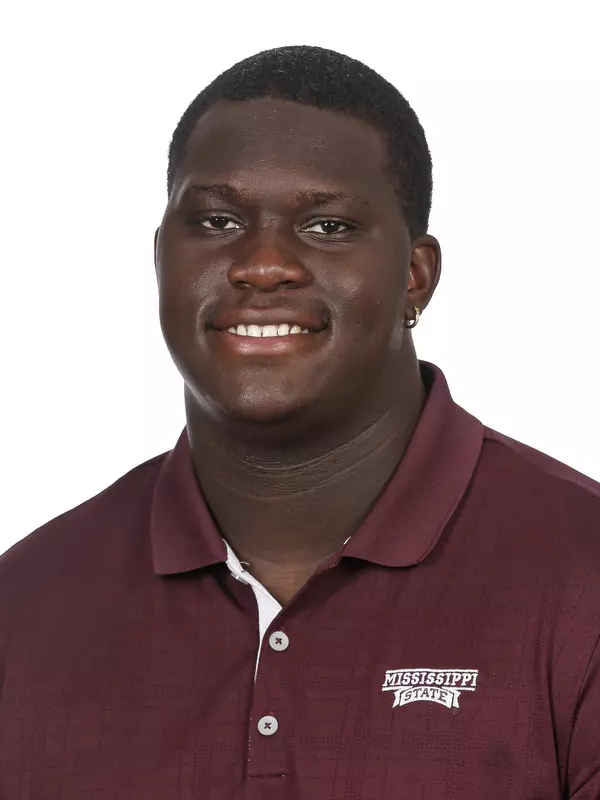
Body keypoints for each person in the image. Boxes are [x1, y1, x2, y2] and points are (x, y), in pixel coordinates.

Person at [1, 44, 599, 800]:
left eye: (328, 227)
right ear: (162, 260)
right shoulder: (22, 609)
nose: (263, 264)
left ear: (415, 276)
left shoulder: (583, 577)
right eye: (217, 220)